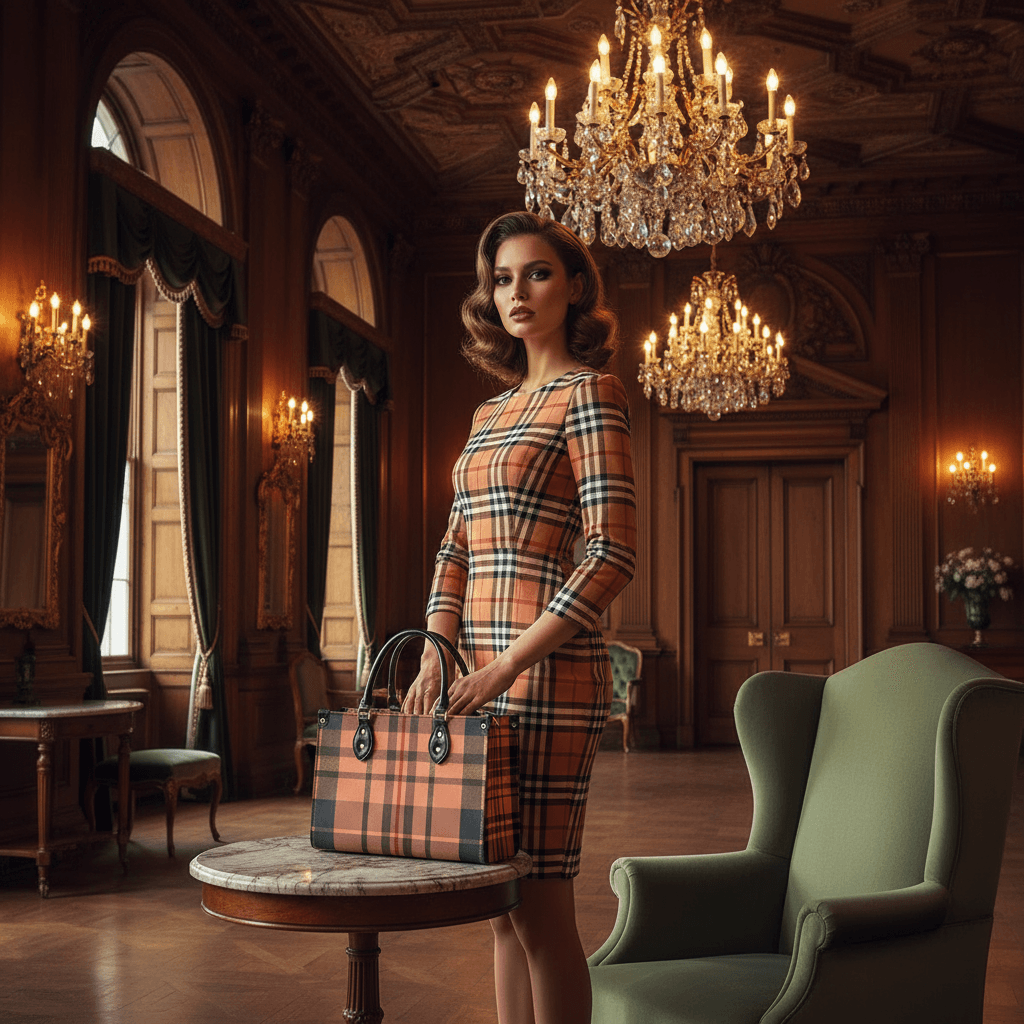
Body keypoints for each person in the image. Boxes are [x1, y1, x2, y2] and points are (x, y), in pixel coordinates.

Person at [402, 210, 637, 1024]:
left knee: (539, 906)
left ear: (574, 288)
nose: (516, 292)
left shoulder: (591, 393)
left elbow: (611, 555)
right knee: (496, 904)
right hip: (473, 680)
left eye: (536, 273)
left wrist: (508, 662)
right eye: (502, 278)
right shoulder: (486, 416)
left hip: (548, 678)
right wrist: (438, 650)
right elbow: (453, 549)